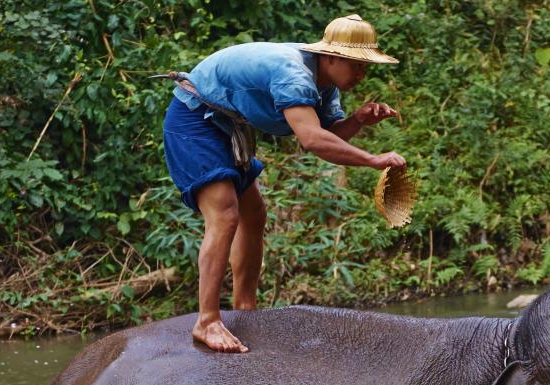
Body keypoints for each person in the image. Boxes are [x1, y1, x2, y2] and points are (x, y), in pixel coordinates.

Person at [162, 14, 407, 352]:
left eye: (366, 67)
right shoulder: (293, 73)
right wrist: (373, 159)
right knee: (225, 215)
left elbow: (328, 136)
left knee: (255, 214)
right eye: (357, 65)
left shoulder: (325, 86)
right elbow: (310, 139)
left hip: (230, 125)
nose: (362, 74)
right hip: (196, 119)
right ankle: (207, 321)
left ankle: (246, 309)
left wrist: (358, 121)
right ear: (331, 57)